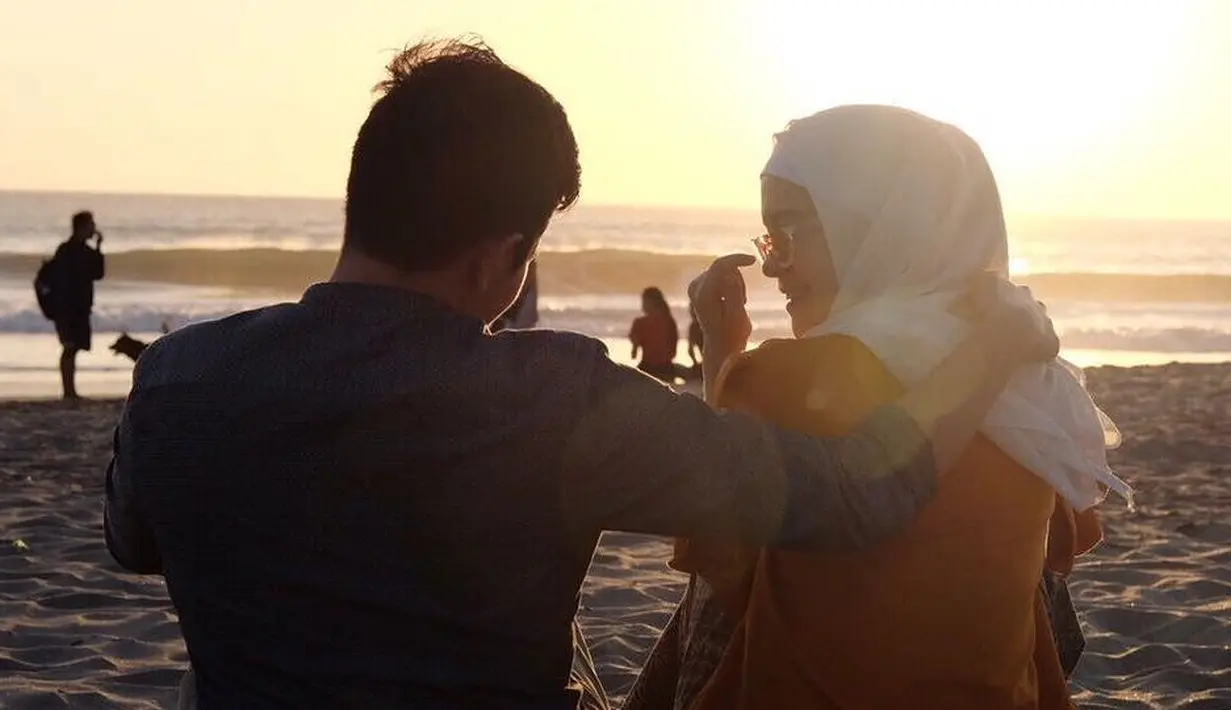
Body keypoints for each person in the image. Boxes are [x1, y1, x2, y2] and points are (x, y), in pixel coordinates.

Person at [103, 41, 1060, 710]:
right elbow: (856, 495)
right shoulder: (548, 401)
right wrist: (986, 352)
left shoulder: (180, 379)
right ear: (501, 257)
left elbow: (132, 540)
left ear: (362, 197)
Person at [625, 105, 1128, 710]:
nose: (771, 265)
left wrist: (721, 358)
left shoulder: (779, 379)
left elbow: (723, 576)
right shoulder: (1029, 380)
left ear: (870, 229)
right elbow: (1061, 558)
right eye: (766, 240)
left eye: (787, 234)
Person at [49, 211, 105, 400]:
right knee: (70, 347)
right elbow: (59, 280)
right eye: (91, 224)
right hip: (67, 308)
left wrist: (99, 247)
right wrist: (60, 308)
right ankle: (68, 391)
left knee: (74, 347)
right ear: (82, 227)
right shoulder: (66, 250)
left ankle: (70, 391)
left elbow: (98, 274)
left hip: (80, 309)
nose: (94, 228)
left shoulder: (85, 251)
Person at [629, 286, 679, 381]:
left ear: (651, 302)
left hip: (648, 369)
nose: (642, 304)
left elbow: (633, 355)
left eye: (644, 301)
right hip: (667, 369)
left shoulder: (639, 323)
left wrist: (635, 345)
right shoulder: (669, 321)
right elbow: (673, 353)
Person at [686, 307, 704, 380]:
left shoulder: (694, 327)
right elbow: (690, 350)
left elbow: (690, 351)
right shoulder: (694, 327)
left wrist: (696, 364)